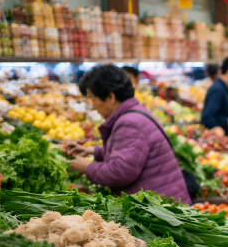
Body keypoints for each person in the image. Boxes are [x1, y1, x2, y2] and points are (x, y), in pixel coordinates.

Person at [65, 65, 190, 204]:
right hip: (163, 202)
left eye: (93, 99)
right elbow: (132, 153)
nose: (93, 106)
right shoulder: (135, 112)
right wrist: (93, 152)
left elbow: (119, 173)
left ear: (111, 97)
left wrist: (87, 168)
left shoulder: (129, 123)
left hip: (160, 211)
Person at [201, 56, 228, 138]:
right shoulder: (218, 90)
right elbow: (207, 117)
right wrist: (227, 121)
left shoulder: (225, 88)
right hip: (219, 141)